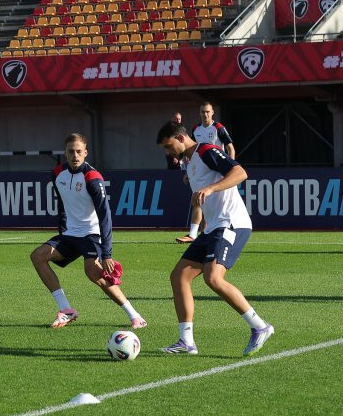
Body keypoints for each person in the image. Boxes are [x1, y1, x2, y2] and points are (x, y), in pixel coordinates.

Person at [156, 121, 273, 356]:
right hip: (213, 229)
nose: (168, 154)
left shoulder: (206, 151)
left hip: (232, 223)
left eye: (169, 147)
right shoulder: (190, 163)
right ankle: (186, 342)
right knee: (179, 276)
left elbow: (240, 172)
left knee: (213, 278)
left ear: (180, 139)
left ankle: (260, 327)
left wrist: (211, 189)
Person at [29, 134, 146, 329]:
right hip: (70, 235)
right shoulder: (58, 173)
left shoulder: (92, 178)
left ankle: (135, 317)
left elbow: (105, 216)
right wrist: (62, 230)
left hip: (91, 234)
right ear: (64, 153)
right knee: (38, 256)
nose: (75, 155)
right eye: (70, 151)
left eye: (78, 151)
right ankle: (66, 310)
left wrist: (107, 254)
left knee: (93, 273)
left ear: (85, 153)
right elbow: (63, 205)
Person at [176, 102, 236, 244]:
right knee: (200, 199)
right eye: (203, 112)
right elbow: (191, 151)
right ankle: (197, 234)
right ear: (199, 113)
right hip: (200, 170)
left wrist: (230, 168)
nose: (205, 114)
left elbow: (230, 148)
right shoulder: (196, 129)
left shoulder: (218, 128)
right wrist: (188, 171)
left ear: (212, 112)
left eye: (208, 111)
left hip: (216, 170)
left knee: (209, 203)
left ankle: (199, 233)